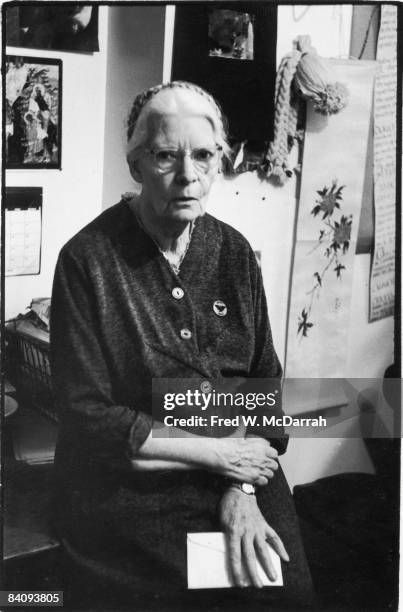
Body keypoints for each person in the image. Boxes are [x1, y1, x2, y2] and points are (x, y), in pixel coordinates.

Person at [50, 81, 314, 610]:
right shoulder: (86, 261)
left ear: (220, 162)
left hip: (242, 474)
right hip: (135, 488)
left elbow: (264, 383)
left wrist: (241, 489)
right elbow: (85, 413)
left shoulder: (234, 253)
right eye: (166, 156)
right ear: (136, 165)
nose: (188, 175)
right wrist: (221, 456)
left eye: (204, 155)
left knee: (283, 593)